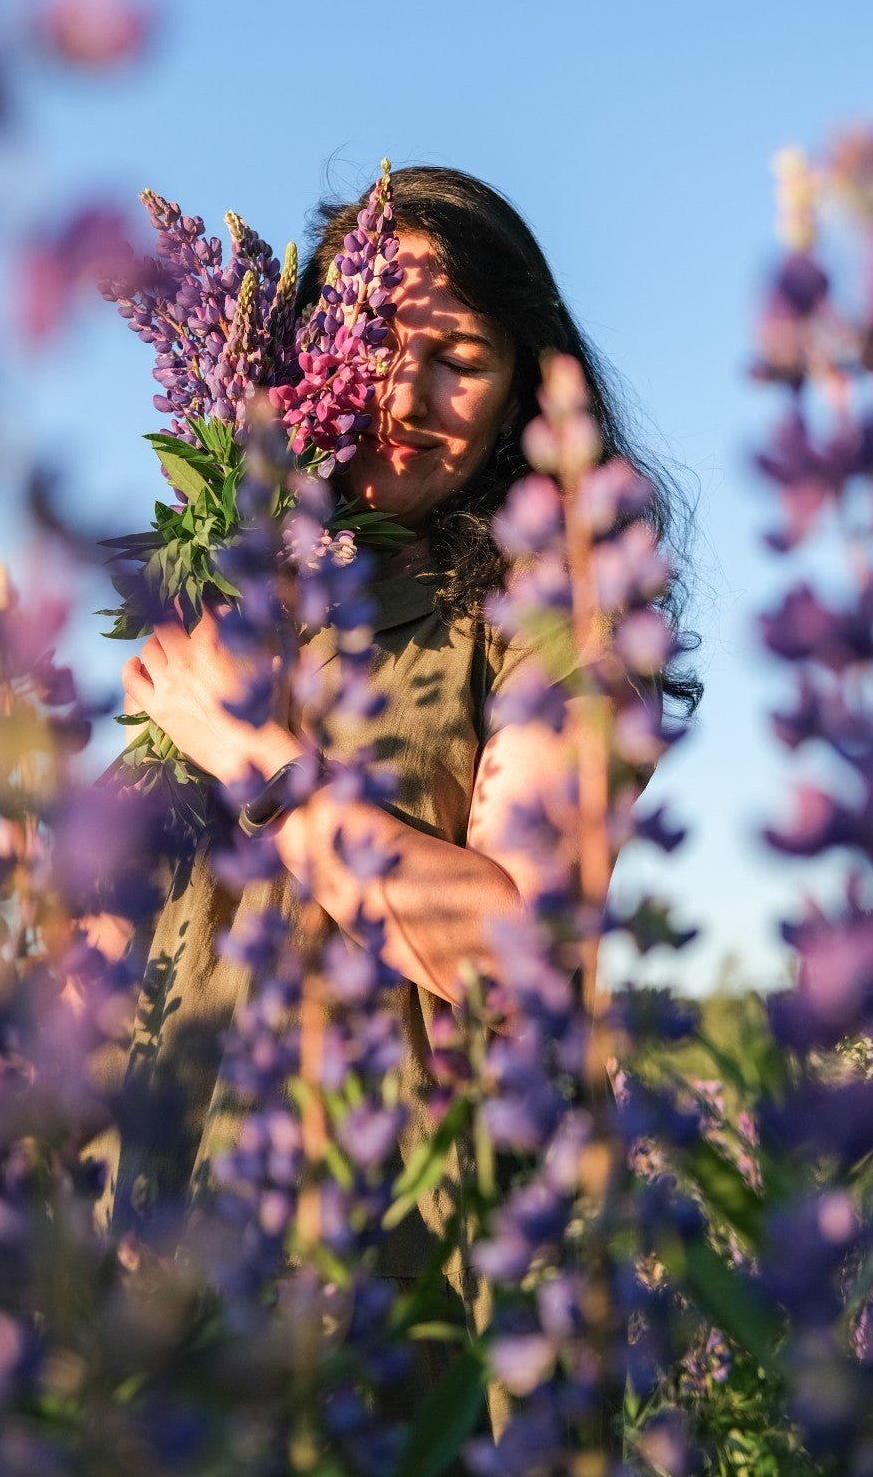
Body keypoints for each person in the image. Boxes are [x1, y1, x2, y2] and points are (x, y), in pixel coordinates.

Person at [96, 166, 702, 1437]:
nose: (404, 396)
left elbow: (515, 950)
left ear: (523, 388)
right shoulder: (239, 590)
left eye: (459, 360)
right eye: (372, 342)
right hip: (162, 1227)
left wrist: (253, 758)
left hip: (407, 1240)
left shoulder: (554, 614)